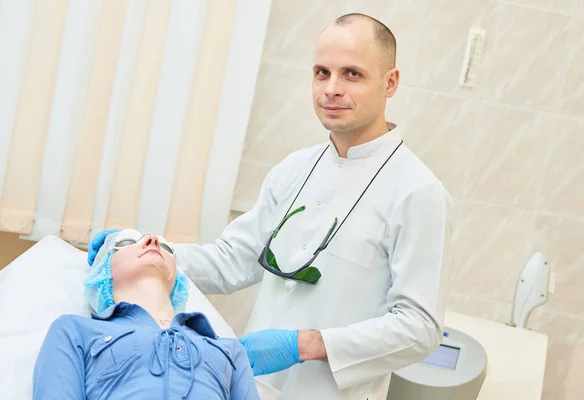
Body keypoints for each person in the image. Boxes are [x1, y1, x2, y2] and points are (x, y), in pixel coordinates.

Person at [88, 13, 453, 399]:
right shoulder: (293, 169)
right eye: (321, 72)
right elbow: (232, 259)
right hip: (251, 388)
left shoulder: (418, 193)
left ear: (390, 82)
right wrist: (146, 249)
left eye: (352, 74)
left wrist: (306, 344)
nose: (331, 89)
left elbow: (420, 327)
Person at [34, 229, 260, 400]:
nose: (152, 241)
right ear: (104, 270)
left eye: (167, 248)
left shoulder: (229, 350)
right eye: (126, 242)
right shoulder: (75, 331)